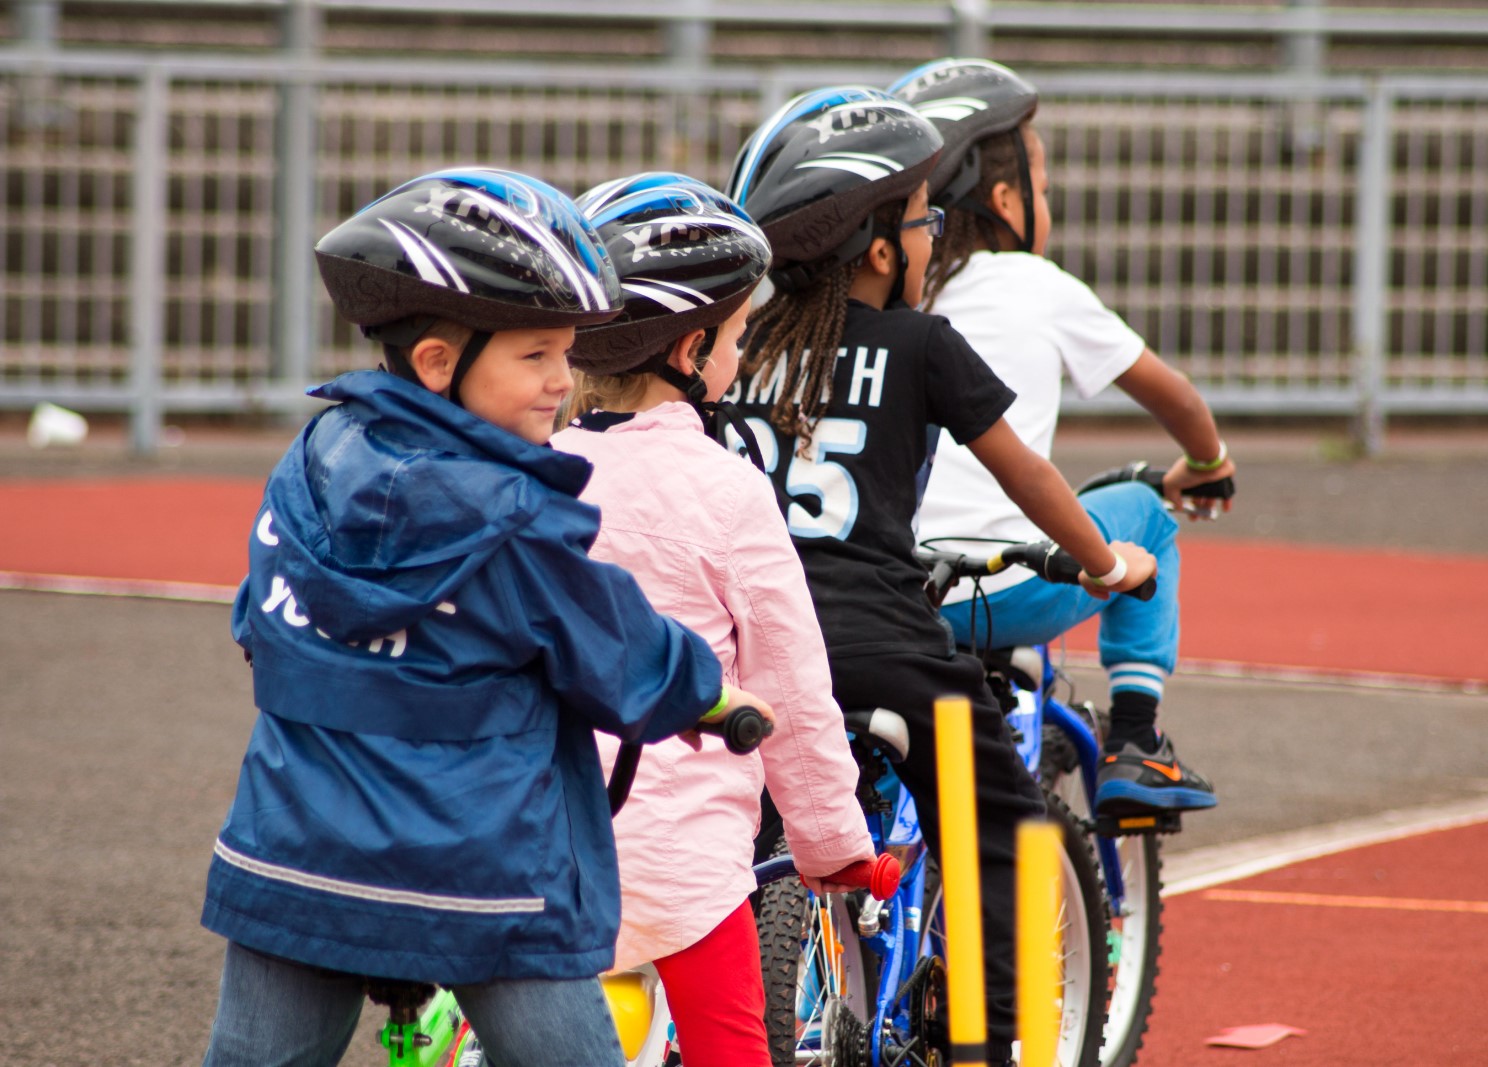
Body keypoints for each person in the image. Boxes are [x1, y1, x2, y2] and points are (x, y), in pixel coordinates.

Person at [198, 167, 774, 1067]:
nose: (563, 380)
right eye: (536, 354)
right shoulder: (512, 520)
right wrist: (710, 691)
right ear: (439, 361)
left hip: (295, 855)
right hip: (482, 876)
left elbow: (255, 620)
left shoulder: (309, 462)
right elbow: (620, 652)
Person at [721, 86, 1156, 1066]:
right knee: (1002, 819)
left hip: (749, 642)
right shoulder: (919, 344)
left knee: (732, 823)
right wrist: (1102, 560)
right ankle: (984, 1043)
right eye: (921, 220)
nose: (930, 239)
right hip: (880, 642)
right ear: (880, 248)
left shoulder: (742, 354)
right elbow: (1026, 474)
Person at [549, 172, 877, 1067]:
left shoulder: (536, 465)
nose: (738, 353)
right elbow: (792, 687)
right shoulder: (729, 490)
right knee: (734, 1050)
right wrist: (832, 845)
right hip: (682, 868)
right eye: (735, 336)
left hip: (548, 850)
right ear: (692, 351)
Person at [890, 58, 1235, 817]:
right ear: (1008, 200)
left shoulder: (901, 296)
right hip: (1005, 588)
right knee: (1147, 518)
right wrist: (1207, 462)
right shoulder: (1034, 283)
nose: (1048, 202)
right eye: (1042, 189)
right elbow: (1174, 395)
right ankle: (1137, 741)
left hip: (896, 586)